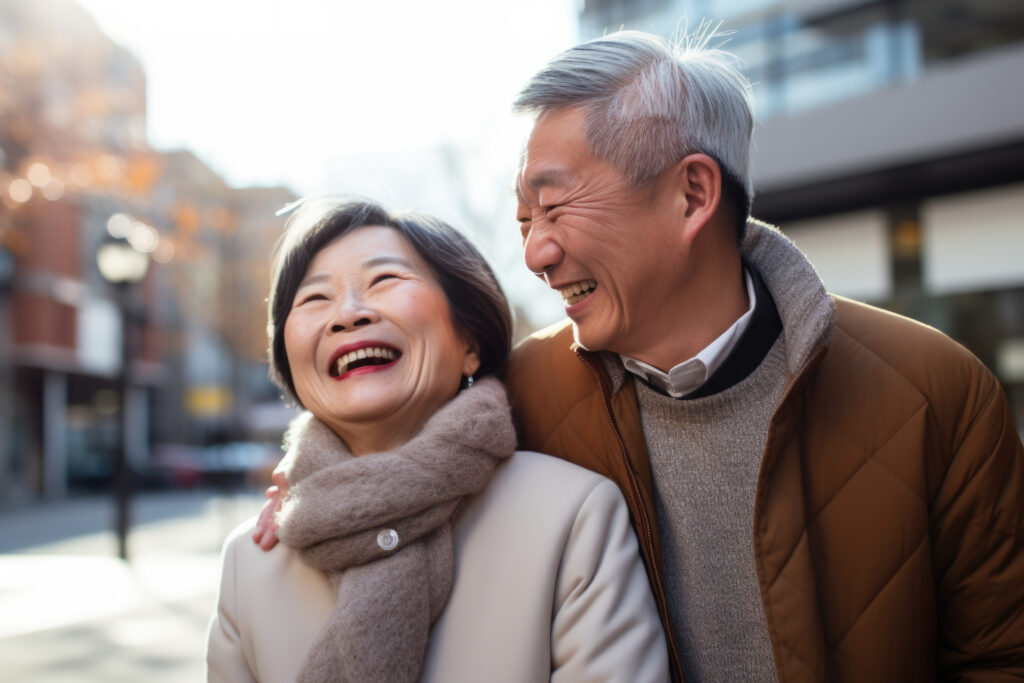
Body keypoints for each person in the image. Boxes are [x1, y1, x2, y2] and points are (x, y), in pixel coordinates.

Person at [505, 29, 1024, 682]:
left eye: (554, 207)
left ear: (692, 194)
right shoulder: (520, 399)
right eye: (525, 221)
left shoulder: (937, 390)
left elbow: (1002, 658)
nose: (536, 255)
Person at [205, 197, 669, 682]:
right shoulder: (249, 561)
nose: (348, 314)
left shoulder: (572, 516)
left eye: (384, 280)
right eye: (314, 299)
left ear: (470, 342)